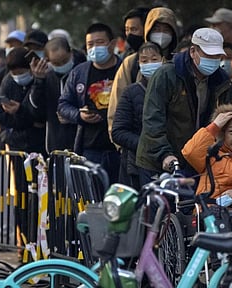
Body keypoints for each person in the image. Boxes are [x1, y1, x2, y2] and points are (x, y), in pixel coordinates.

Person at [136, 27, 232, 185]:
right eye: (208, 55)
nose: (213, 60)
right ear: (193, 52)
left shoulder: (221, 80)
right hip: (158, 160)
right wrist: (164, 154)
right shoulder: (166, 75)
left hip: (196, 159)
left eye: (217, 56)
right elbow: (153, 120)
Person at [57, 22, 122, 183]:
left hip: (120, 149)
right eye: (90, 44)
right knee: (92, 202)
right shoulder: (79, 72)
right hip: (90, 150)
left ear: (112, 44)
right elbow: (63, 104)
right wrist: (79, 115)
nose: (94, 48)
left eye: (99, 43)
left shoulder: (124, 70)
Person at [107, 6, 178, 138]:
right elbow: (116, 105)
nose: (161, 34)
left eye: (166, 30)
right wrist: (120, 144)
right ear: (148, 31)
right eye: (156, 29)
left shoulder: (178, 63)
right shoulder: (131, 62)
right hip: (136, 143)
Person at [112, 42, 163, 190]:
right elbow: (118, 132)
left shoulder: (173, 90)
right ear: (139, 64)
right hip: (136, 166)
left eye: (154, 59)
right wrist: (146, 145)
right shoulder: (131, 92)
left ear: (163, 60)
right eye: (144, 60)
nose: (150, 64)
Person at [28, 37, 83, 153]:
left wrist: (72, 115)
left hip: (81, 141)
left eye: (64, 60)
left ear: (71, 53)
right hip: (55, 143)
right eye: (56, 63)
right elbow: (36, 111)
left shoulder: (82, 72)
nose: (61, 65)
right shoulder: (46, 77)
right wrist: (38, 81)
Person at [0, 46, 46, 155]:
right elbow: (0, 116)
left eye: (21, 73)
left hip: (39, 144)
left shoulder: (41, 80)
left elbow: (40, 114)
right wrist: (24, 118)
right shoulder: (8, 82)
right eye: (15, 74)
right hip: (15, 144)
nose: (18, 77)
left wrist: (20, 111)